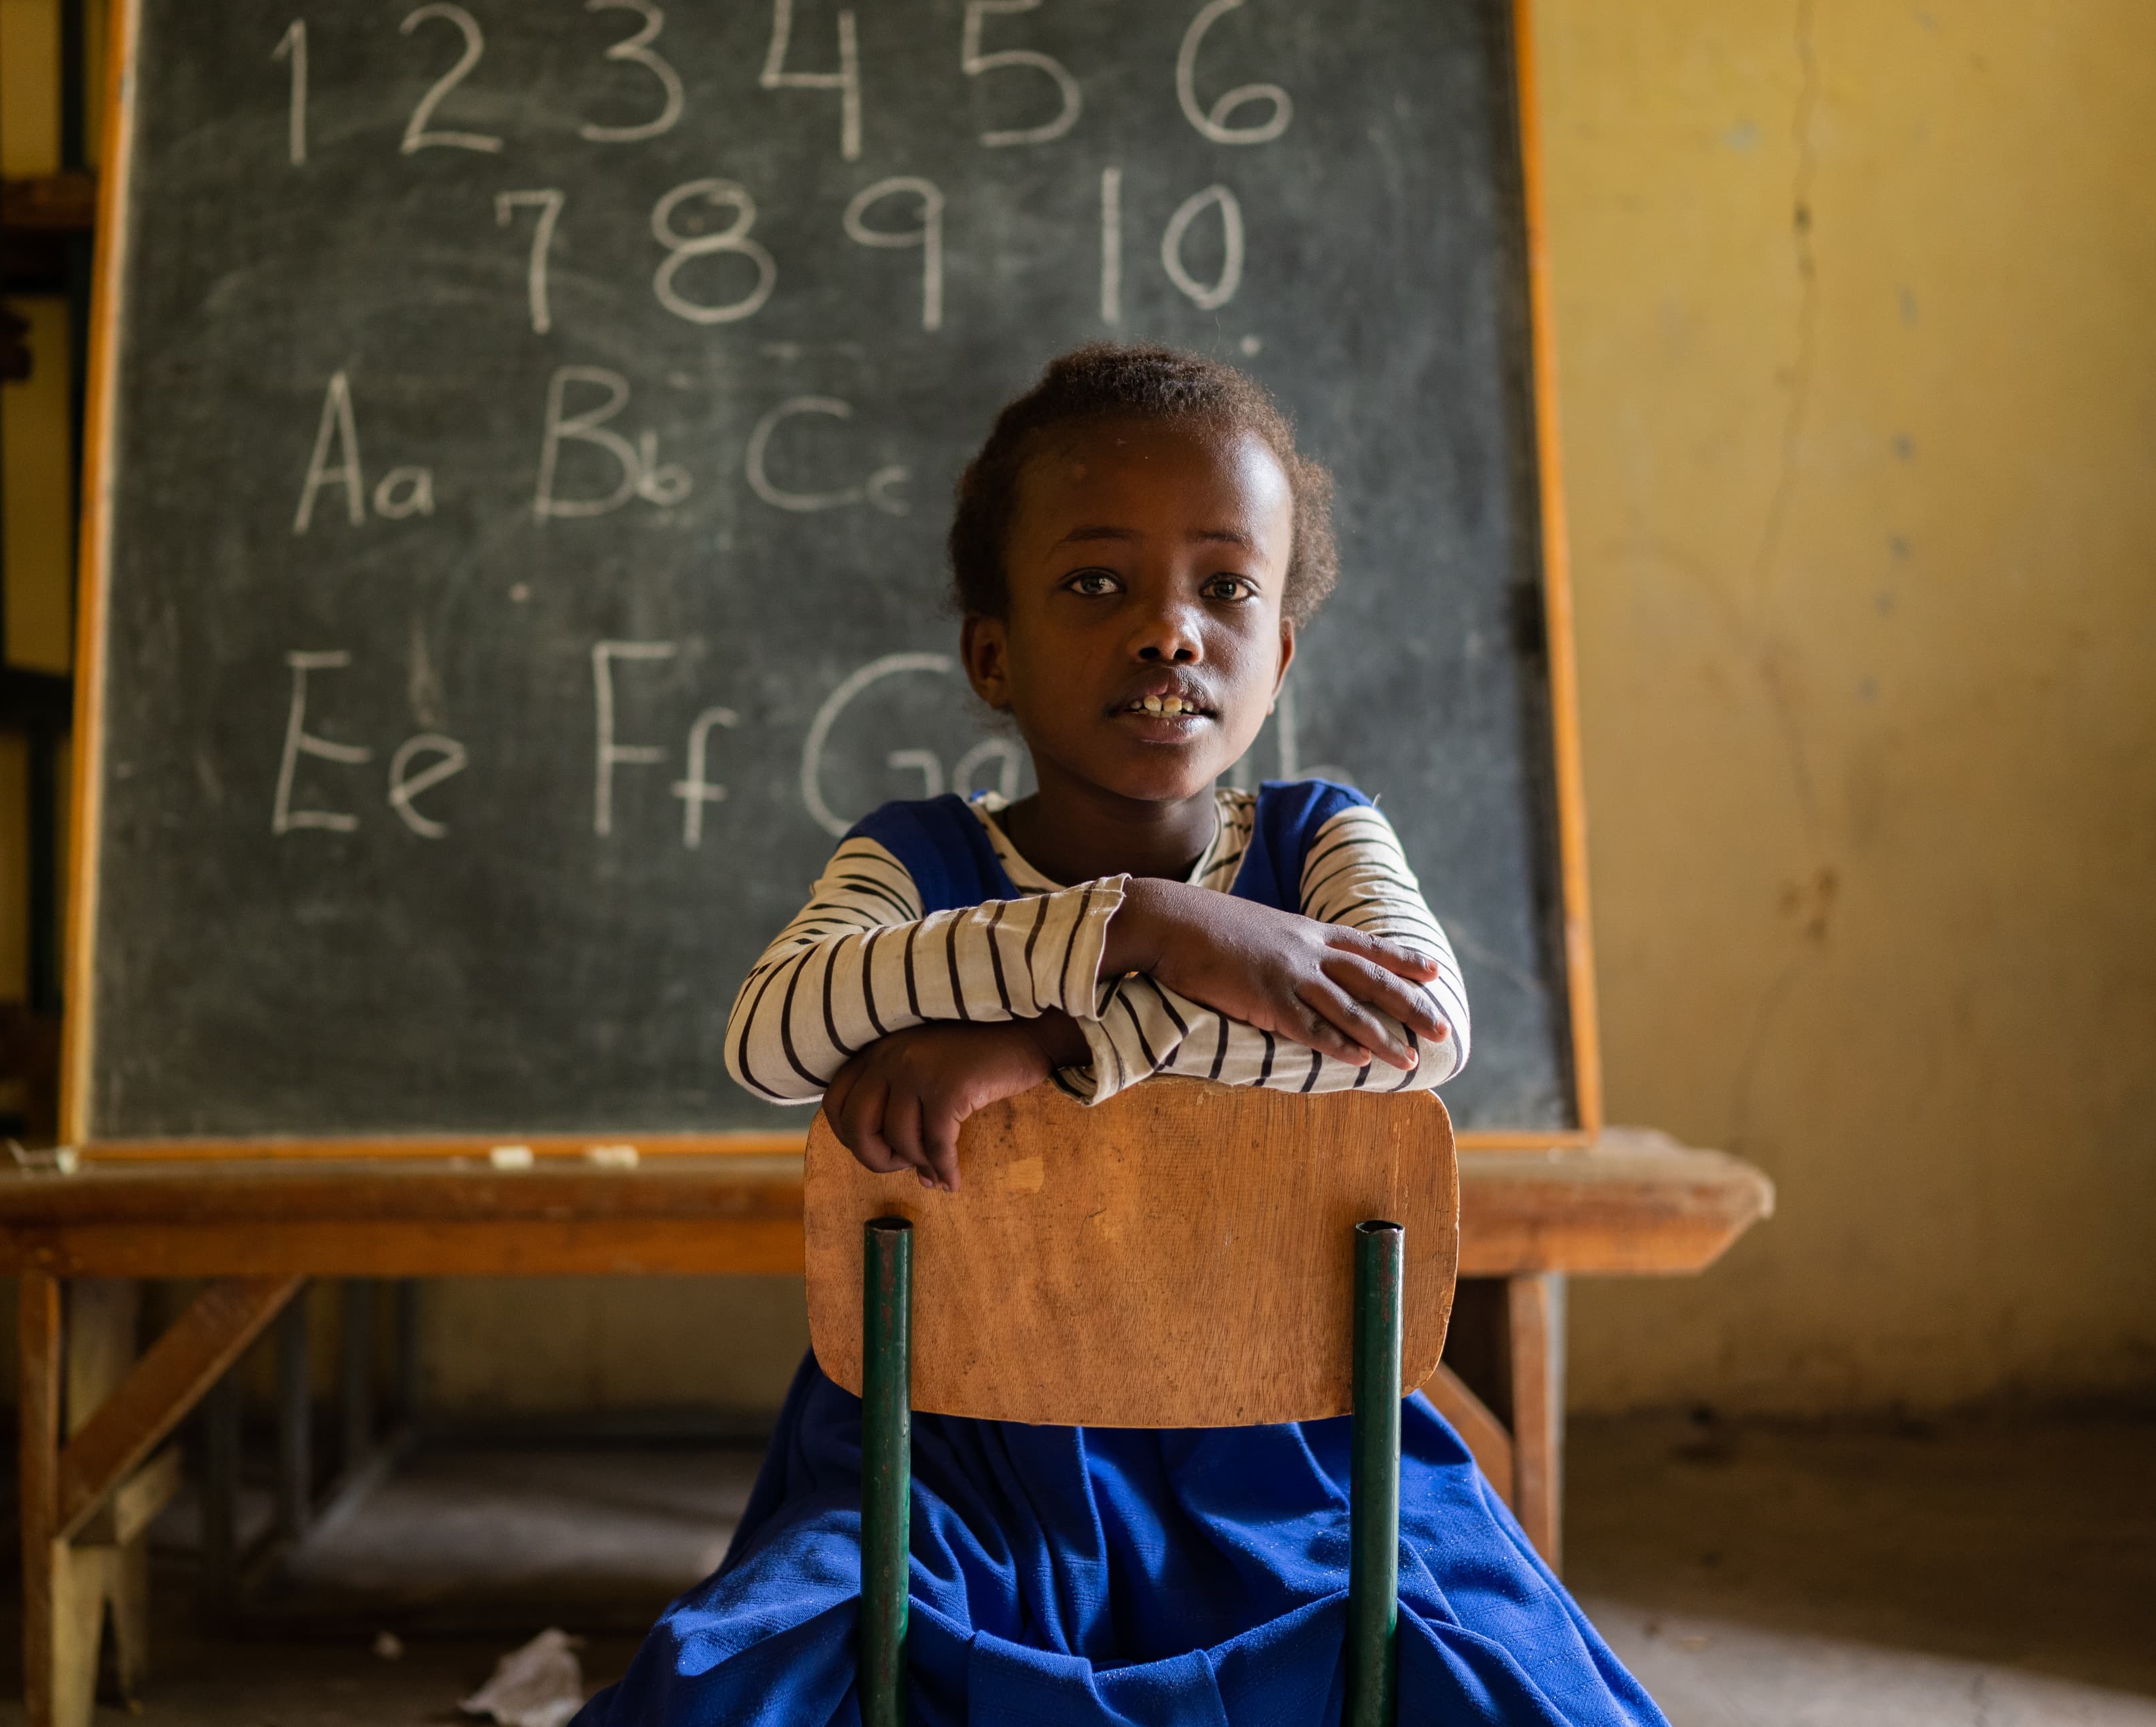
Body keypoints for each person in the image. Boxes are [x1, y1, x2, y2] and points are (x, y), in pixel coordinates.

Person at [574, 344, 1664, 1726]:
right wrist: (1146, 924)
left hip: (1301, 1455)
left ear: (1280, 650)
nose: (1169, 630)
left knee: (1502, 1681)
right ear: (993, 651)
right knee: (733, 1684)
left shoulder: (1326, 837)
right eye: (1098, 584)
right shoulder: (910, 859)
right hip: (952, 1458)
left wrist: (1051, 1051)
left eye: (1225, 587)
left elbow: (1415, 1035)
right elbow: (773, 1034)